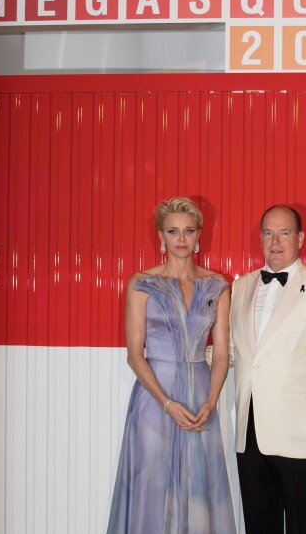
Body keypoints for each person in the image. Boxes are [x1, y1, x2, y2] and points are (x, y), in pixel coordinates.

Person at [107, 196, 237, 534]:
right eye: (173, 231)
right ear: (161, 236)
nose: (181, 239)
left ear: (199, 236)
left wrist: (210, 401)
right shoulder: (141, 284)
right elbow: (134, 355)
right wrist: (166, 403)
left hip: (200, 396)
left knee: (197, 487)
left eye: (189, 231)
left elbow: (221, 354)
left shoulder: (218, 286)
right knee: (151, 484)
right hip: (154, 397)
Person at [230, 204, 306, 534]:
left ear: (299, 238)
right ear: (260, 238)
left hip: (303, 437)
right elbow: (236, 352)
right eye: (268, 233)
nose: (275, 241)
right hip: (250, 432)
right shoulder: (240, 288)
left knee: (302, 525)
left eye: (284, 232)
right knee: (258, 525)